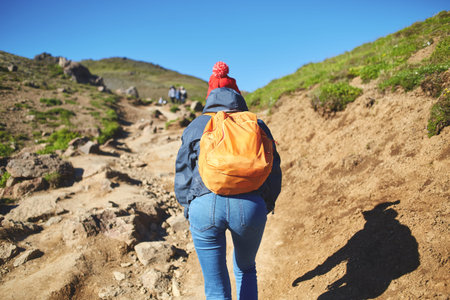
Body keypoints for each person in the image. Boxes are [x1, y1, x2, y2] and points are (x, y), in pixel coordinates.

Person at [175, 61, 282, 300]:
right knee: (246, 269)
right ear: (237, 95)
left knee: (215, 283)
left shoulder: (196, 126)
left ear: (210, 96)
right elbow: (274, 167)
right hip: (250, 205)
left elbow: (183, 170)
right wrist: (266, 203)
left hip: (204, 206)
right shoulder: (256, 123)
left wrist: (188, 205)